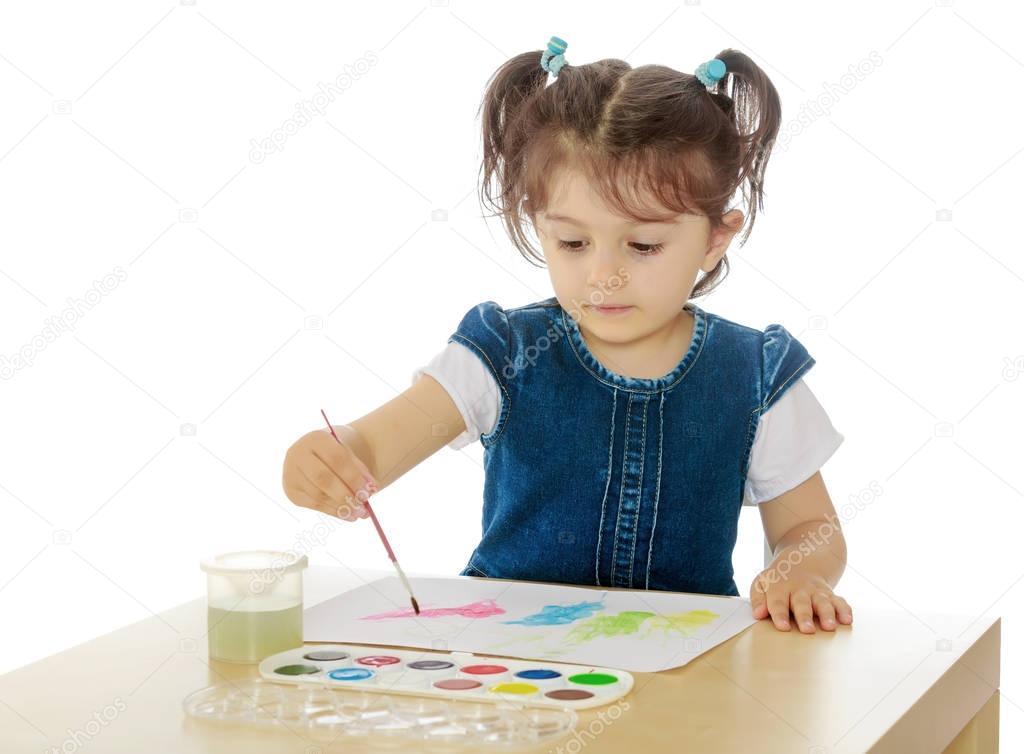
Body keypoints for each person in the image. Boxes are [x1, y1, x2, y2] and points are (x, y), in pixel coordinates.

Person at [282, 39, 852, 634]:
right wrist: (329, 458)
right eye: (573, 243)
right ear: (539, 224)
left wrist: (800, 570)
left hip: (688, 668)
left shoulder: (756, 375)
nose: (603, 275)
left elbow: (809, 527)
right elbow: (370, 449)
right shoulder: (502, 355)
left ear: (715, 237)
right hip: (508, 666)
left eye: (644, 245)